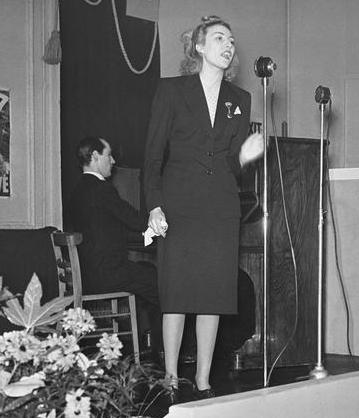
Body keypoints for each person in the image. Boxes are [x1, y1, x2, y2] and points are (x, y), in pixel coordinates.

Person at [144, 15, 265, 402]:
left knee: (213, 295)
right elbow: (152, 157)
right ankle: (168, 375)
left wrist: (246, 156)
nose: (227, 45)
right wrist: (154, 207)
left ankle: (203, 379)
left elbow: (231, 163)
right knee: (177, 294)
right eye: (218, 38)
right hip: (178, 207)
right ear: (199, 47)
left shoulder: (239, 100)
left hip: (220, 208)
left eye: (231, 40)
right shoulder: (172, 91)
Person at [68, 136, 162, 360]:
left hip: (88, 273)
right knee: (163, 285)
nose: (113, 161)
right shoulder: (101, 189)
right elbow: (134, 219)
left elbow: (107, 227)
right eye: (109, 155)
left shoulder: (78, 191)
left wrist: (146, 232)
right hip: (107, 273)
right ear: (94, 156)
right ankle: (164, 351)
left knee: (147, 273)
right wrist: (162, 223)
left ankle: (151, 343)